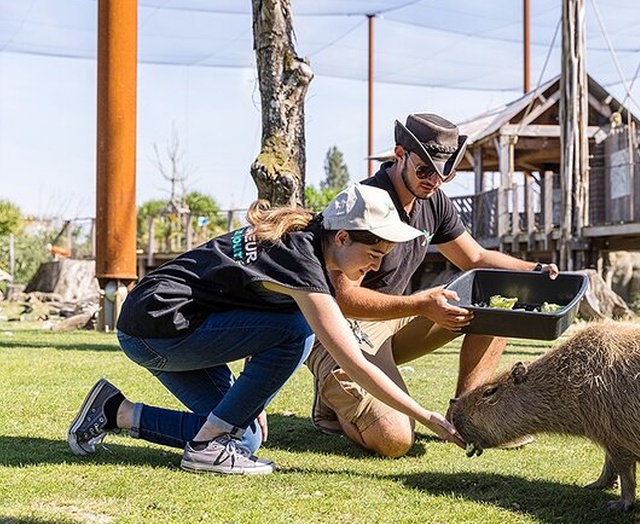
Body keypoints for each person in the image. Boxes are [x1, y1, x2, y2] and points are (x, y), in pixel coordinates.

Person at [67, 184, 464, 475]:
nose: (376, 267)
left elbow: (244, 305)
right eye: (373, 254)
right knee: (300, 330)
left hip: (182, 324)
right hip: (157, 329)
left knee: (243, 440)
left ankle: (114, 411)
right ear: (342, 237)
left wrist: (248, 398)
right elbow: (353, 361)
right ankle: (205, 447)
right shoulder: (302, 263)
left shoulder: (306, 237)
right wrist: (426, 416)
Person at [307, 113, 559, 458]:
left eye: (445, 173)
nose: (434, 181)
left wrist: (535, 270)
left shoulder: (433, 200)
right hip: (341, 330)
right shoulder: (367, 202)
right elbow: (344, 298)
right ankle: (334, 400)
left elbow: (475, 258)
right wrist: (420, 305)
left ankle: (468, 418)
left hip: (391, 321)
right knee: (395, 440)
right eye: (425, 170)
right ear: (400, 154)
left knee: (492, 312)